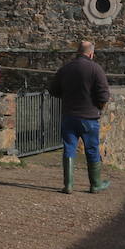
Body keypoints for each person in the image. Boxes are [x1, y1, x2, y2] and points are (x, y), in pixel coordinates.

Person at [49, 40, 111, 194]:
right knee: (91, 149)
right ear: (91, 54)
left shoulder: (66, 69)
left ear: (77, 52)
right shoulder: (96, 69)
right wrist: (98, 108)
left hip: (69, 116)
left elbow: (53, 90)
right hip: (89, 118)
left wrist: (66, 96)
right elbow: (103, 95)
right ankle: (95, 184)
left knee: (69, 148)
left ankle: (68, 185)